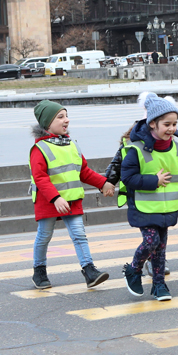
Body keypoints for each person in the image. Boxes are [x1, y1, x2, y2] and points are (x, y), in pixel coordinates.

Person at [104, 92, 178, 278]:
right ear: (150, 123)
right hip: (143, 200)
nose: (171, 128)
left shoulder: (171, 142)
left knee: (158, 241)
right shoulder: (133, 142)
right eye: (167, 124)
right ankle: (137, 267)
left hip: (164, 202)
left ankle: (158, 278)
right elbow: (119, 162)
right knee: (152, 240)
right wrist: (109, 180)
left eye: (173, 124)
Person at [29, 100, 115, 289]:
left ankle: (90, 271)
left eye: (66, 116)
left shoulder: (72, 145)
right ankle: (39, 271)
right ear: (47, 123)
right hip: (48, 201)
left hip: (72, 199)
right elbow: (40, 178)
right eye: (60, 117)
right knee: (44, 236)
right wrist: (55, 198)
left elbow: (84, 172)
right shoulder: (39, 149)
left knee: (79, 235)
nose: (66, 120)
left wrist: (103, 183)